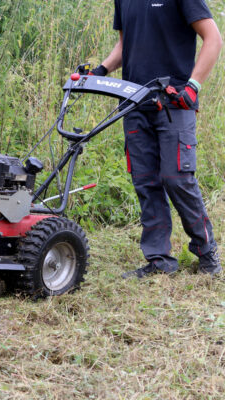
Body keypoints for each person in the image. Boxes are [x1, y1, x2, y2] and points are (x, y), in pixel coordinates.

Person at [91, 0, 223, 278]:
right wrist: (101, 70)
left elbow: (213, 38)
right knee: (145, 181)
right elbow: (126, 45)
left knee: (177, 178)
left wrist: (193, 86)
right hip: (134, 103)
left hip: (175, 102)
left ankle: (206, 249)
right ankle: (159, 261)